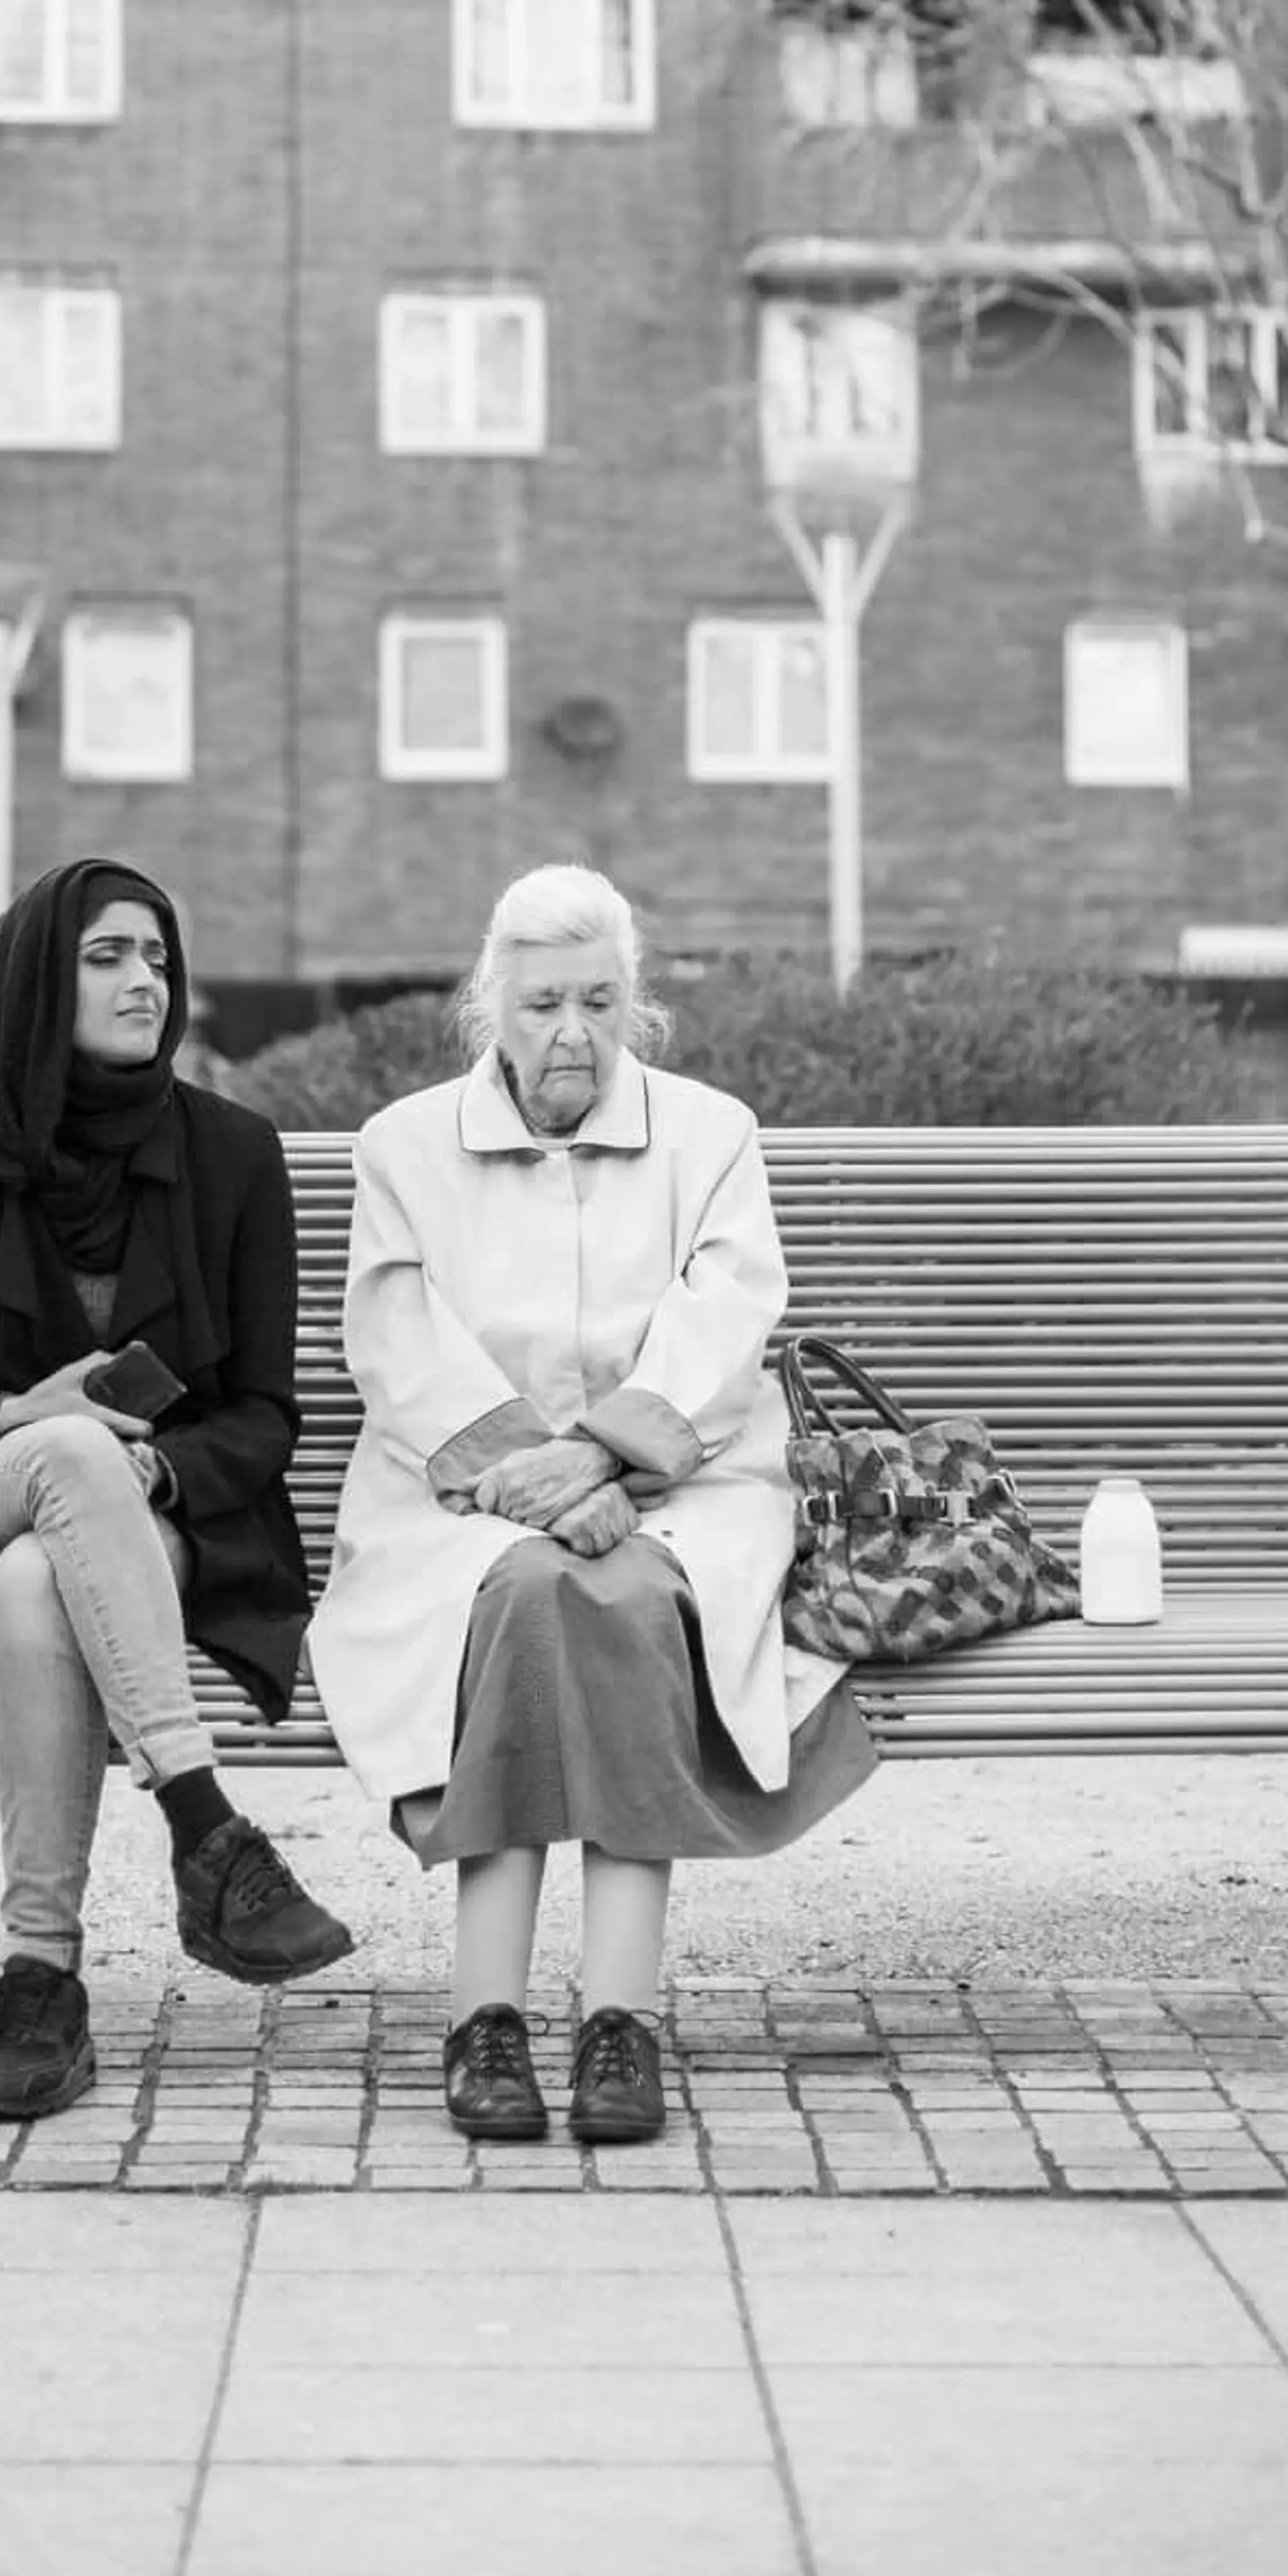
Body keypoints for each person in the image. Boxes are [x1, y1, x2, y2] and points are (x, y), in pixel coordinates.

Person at [307, 864, 875, 2148]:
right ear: (488, 1006)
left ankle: (619, 2019)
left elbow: (727, 1324)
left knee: (621, 1599)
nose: (572, 1032)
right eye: (544, 1002)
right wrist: (541, 1483)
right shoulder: (403, 1147)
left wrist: (613, 1466)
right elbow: (398, 1342)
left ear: (638, 1009)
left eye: (599, 1003)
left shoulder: (711, 1134)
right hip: (465, 1499)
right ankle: (485, 2017)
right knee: (521, 1595)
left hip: (684, 1489)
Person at [0, 854, 355, 2122]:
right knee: (60, 1464)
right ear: (34, 978)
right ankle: (205, 1822)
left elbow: (267, 1415)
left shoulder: (232, 1156)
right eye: (107, 956)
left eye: (158, 959)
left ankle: (38, 1982)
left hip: (168, 1528)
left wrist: (160, 1465)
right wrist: (18, 1411)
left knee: (39, 1581)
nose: (144, 983)